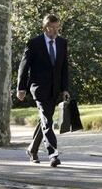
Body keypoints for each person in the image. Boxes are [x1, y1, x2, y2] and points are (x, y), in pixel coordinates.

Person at [17, 14, 70, 167]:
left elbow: (64, 67)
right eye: (52, 27)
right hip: (39, 89)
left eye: (57, 27)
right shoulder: (34, 43)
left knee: (45, 120)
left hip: (55, 89)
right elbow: (24, 66)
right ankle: (53, 154)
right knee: (47, 120)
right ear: (45, 27)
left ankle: (32, 149)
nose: (55, 30)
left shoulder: (62, 43)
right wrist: (21, 88)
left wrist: (65, 89)